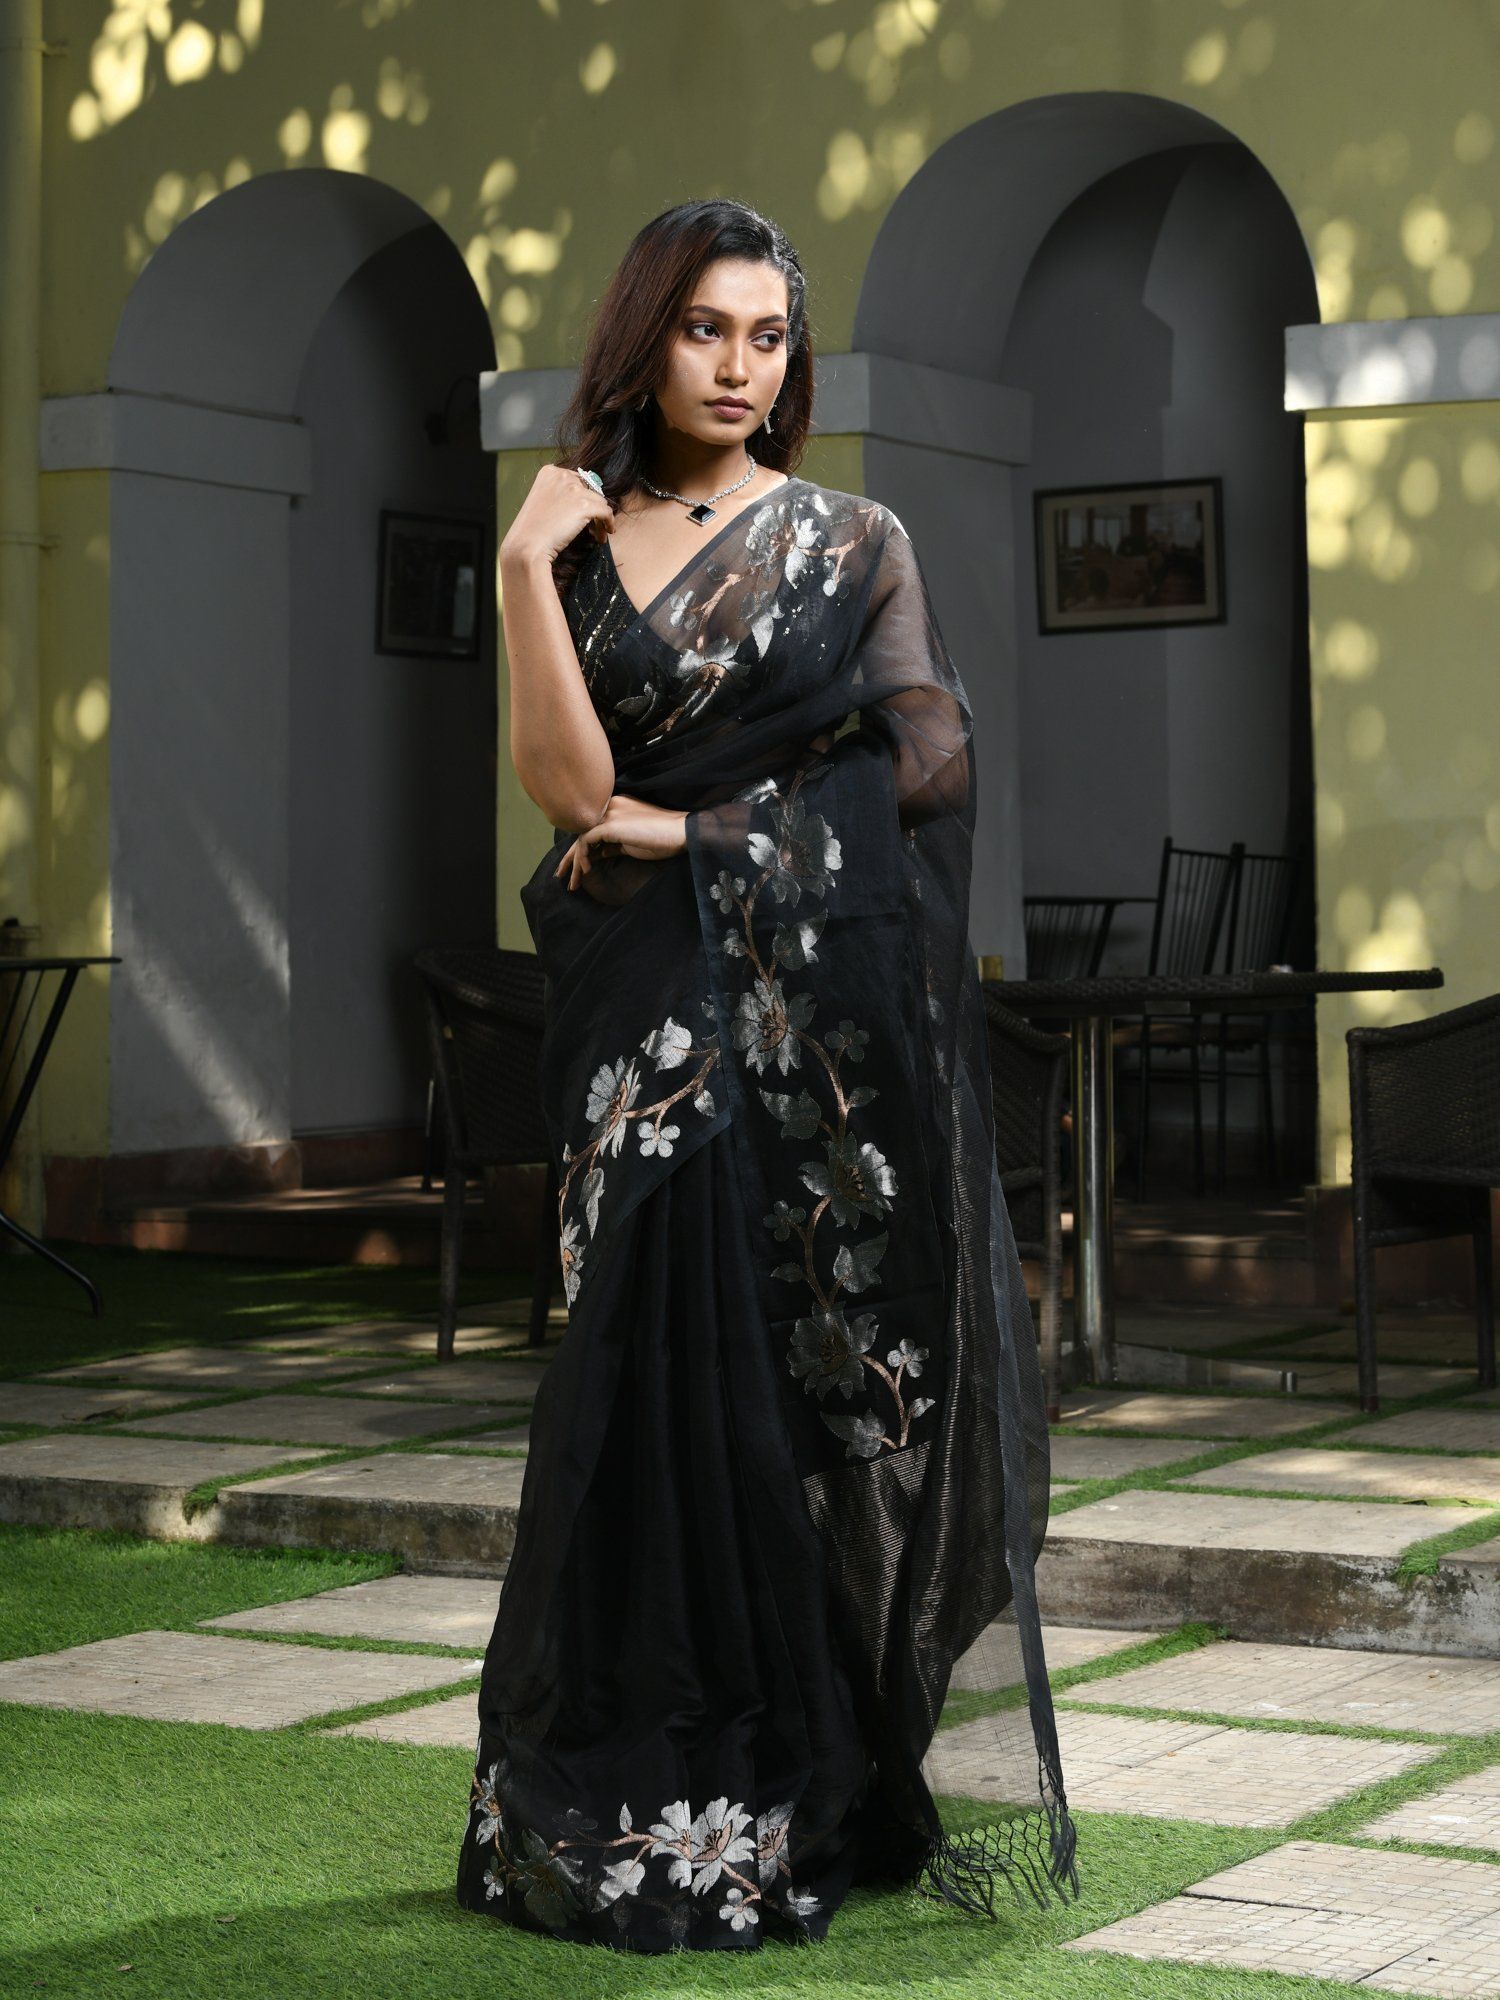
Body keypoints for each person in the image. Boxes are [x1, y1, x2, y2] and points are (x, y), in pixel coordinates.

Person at [455, 196, 1079, 1956]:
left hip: (784, 1010)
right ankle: (615, 1778)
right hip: (628, 1008)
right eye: (706, 330)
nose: (739, 366)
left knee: (751, 1369)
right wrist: (520, 571)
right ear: (646, 337)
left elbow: (927, 771)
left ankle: (776, 1776)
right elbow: (567, 793)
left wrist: (702, 833)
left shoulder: (848, 540)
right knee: (625, 1370)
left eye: (769, 336)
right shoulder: (575, 544)